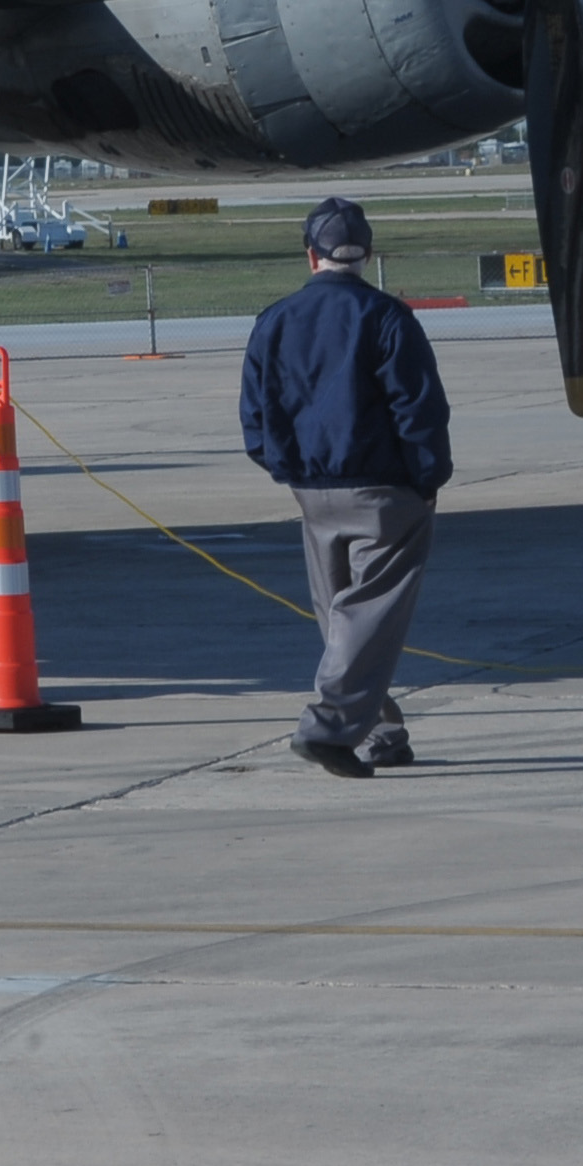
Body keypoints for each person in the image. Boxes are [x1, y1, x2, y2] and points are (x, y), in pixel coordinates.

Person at [237, 196, 450, 778]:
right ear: (367, 255)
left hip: (311, 490)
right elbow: (419, 409)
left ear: (312, 255)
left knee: (341, 617)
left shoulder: (275, 319)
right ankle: (327, 730)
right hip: (385, 491)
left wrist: (285, 467)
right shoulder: (388, 317)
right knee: (367, 615)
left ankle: (381, 731)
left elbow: (255, 415)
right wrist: (429, 479)